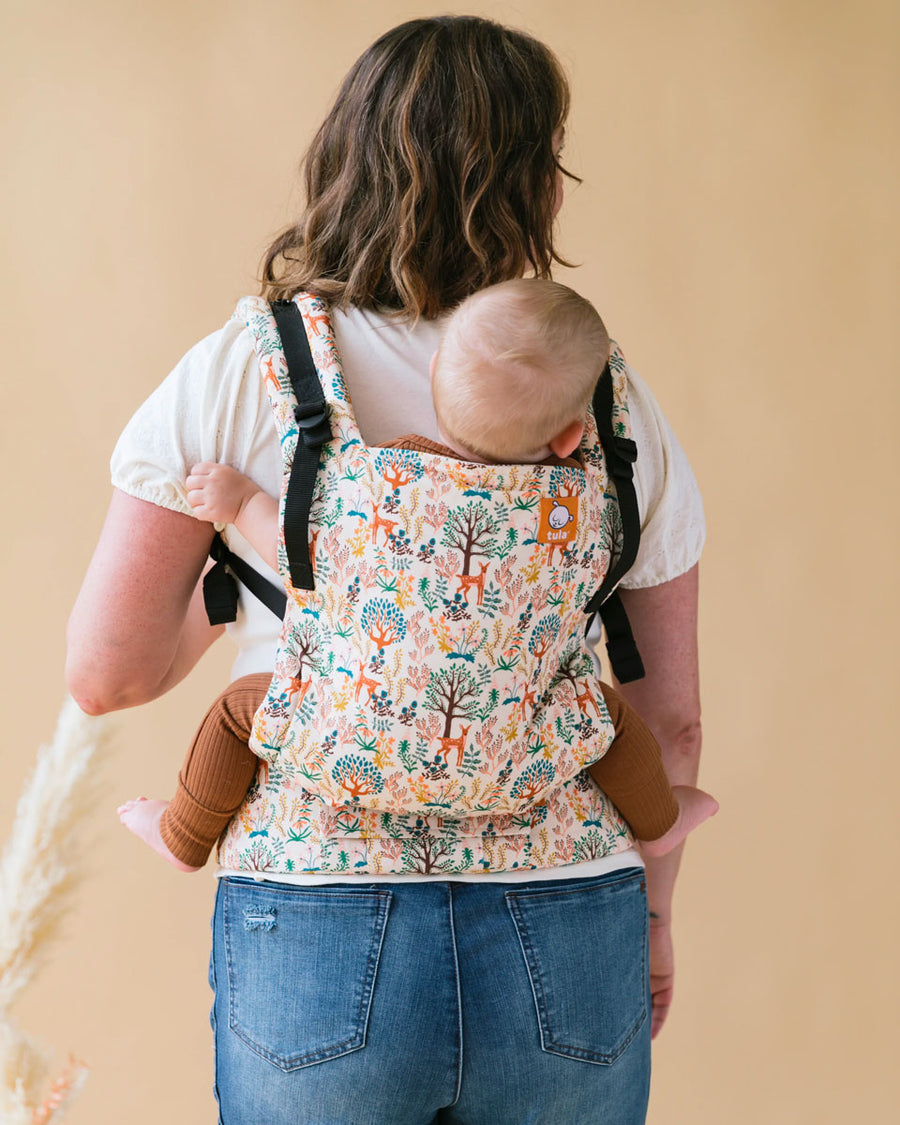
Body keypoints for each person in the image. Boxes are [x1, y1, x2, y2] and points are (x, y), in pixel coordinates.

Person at [67, 17, 706, 1124]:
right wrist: (649, 924)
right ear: (533, 185)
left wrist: (258, 591)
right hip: (565, 916)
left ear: (343, 158)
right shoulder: (601, 399)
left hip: (317, 911)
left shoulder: (235, 374)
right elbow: (668, 723)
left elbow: (108, 675)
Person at [117, 278, 716, 874]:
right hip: (514, 765)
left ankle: (183, 835)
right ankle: (659, 823)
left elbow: (303, 559)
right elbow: (677, 728)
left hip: (343, 748)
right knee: (605, 719)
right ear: (569, 436)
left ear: (432, 378)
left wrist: (240, 499)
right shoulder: (578, 509)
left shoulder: (381, 491)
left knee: (234, 713)